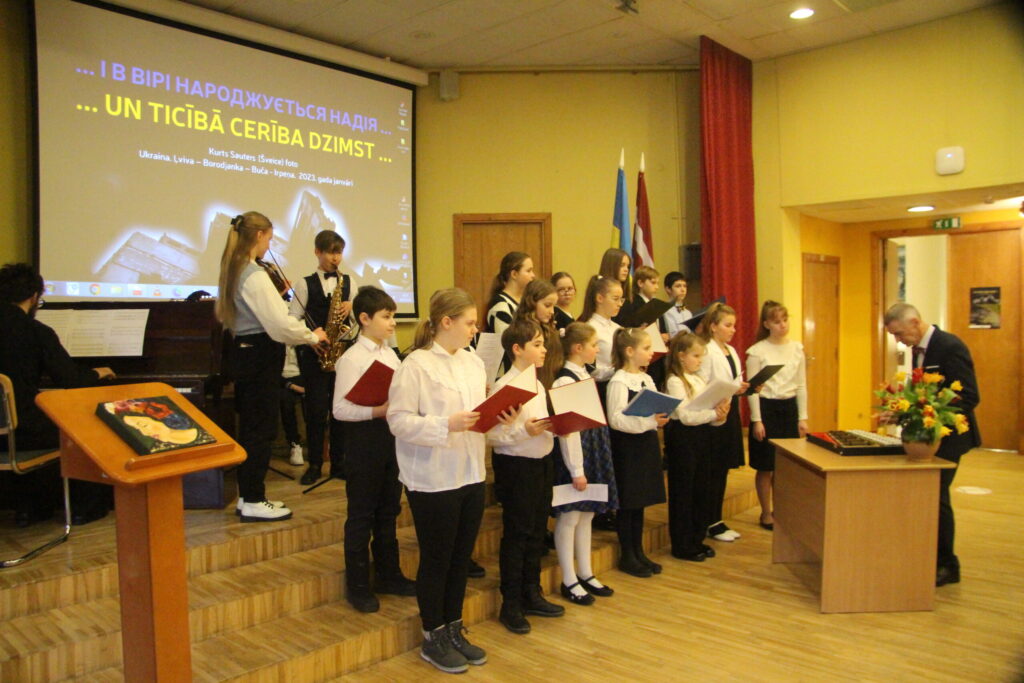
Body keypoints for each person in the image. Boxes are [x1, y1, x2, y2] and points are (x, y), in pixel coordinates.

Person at [386, 288, 488, 674]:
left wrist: (499, 415)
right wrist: (445, 424)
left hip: (470, 470)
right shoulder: (416, 365)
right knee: (437, 558)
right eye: (469, 323)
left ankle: (454, 628)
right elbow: (398, 421)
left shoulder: (473, 362)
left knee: (461, 557)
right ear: (446, 322)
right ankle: (433, 635)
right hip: (433, 476)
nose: (475, 330)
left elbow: (478, 413)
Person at [216, 212, 326, 522]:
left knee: (253, 427)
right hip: (260, 356)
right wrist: (312, 336)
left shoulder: (236, 268)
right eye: (269, 238)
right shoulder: (253, 273)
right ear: (259, 235)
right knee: (260, 430)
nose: (269, 245)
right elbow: (279, 324)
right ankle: (253, 499)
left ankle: (248, 496)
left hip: (248, 354)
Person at [0, 263, 116, 526]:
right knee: (89, 424)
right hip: (20, 433)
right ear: (33, 297)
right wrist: (97, 372)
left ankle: (30, 507)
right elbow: (70, 380)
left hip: (5, 431)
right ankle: (84, 509)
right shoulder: (35, 331)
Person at [332, 286, 416, 613]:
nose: (393, 322)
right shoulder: (352, 359)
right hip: (363, 442)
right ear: (365, 319)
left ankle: (388, 575)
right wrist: (377, 410)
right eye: (387, 316)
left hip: (390, 440)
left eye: (393, 316)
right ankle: (357, 585)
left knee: (388, 510)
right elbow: (340, 409)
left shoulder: (390, 355)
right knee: (361, 514)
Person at [884, 302, 980, 587]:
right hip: (927, 437)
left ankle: (948, 565)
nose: (899, 340)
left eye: (900, 334)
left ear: (915, 322)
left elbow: (969, 396)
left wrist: (929, 414)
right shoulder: (918, 350)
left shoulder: (949, 346)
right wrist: (903, 411)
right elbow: (924, 394)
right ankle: (929, 557)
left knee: (937, 497)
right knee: (927, 497)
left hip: (948, 436)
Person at [486, 318, 565, 634]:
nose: (544, 349)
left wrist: (558, 427)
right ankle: (511, 604)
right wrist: (523, 431)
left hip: (541, 463)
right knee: (517, 534)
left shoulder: (538, 384)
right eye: (537, 344)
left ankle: (532, 593)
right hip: (516, 468)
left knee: (536, 532)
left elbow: (539, 426)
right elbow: (492, 436)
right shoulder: (503, 387)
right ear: (517, 349)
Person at [551, 322, 618, 604]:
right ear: (578, 348)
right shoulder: (564, 381)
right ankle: (569, 578)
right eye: (594, 345)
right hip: (575, 457)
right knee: (570, 517)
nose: (598, 349)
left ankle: (586, 573)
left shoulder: (583, 374)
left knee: (587, 514)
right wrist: (576, 470)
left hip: (593, 450)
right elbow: (569, 431)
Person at [605, 327, 669, 577]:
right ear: (630, 351)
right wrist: (649, 421)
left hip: (645, 444)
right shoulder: (618, 381)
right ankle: (627, 555)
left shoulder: (646, 378)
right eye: (646, 348)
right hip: (627, 448)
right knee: (628, 502)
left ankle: (639, 552)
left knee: (640, 501)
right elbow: (616, 419)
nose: (651, 352)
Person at [290, 229, 351, 485]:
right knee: (315, 413)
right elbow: (292, 319)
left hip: (341, 356)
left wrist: (352, 306)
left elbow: (357, 321)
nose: (335, 258)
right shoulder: (304, 283)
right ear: (317, 252)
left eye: (339, 253)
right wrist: (310, 338)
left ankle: (339, 464)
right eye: (330, 253)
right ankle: (314, 465)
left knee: (339, 412)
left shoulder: (348, 282)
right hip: (314, 354)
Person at [663, 331, 729, 561]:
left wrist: (720, 415)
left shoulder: (699, 379)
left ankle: (696, 538)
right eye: (696, 356)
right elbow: (685, 416)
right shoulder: (674, 381)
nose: (700, 361)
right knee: (684, 491)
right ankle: (682, 544)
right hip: (683, 439)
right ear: (681, 356)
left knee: (701, 488)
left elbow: (707, 414)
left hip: (702, 437)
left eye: (702, 356)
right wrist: (712, 414)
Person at [746, 300, 808, 531]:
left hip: (788, 409)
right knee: (765, 466)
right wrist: (757, 420)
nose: (783, 325)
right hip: (766, 409)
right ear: (766, 324)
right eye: (776, 321)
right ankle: (766, 512)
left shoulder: (797, 349)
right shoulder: (757, 352)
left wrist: (802, 417)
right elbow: (753, 389)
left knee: (784, 467)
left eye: (785, 319)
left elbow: (801, 385)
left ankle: (782, 510)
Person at [696, 302, 750, 542]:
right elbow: (702, 383)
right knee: (712, 469)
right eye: (728, 325)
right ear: (713, 326)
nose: (733, 330)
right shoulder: (706, 350)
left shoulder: (731, 350)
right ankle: (708, 519)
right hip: (712, 413)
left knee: (723, 468)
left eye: (734, 326)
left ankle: (716, 518)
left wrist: (741, 387)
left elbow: (734, 379)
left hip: (729, 410)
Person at [513, 279, 563, 389]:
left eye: (554, 306)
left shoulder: (548, 328)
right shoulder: (521, 332)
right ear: (532, 303)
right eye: (547, 305)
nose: (552, 312)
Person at [577, 275, 624, 383]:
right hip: (603, 385)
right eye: (615, 299)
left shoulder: (617, 327)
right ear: (600, 298)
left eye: (621, 299)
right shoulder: (590, 328)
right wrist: (618, 369)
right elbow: (591, 371)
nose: (620, 304)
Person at [280, 345, 305, 466]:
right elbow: (271, 371)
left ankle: (317, 445)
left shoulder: (302, 342)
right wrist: (292, 386)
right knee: (286, 403)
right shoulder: (275, 342)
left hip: (302, 377)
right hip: (283, 380)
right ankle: (294, 444)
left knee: (314, 402)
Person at [598, 248, 632, 321]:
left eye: (628, 266)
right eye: (622, 265)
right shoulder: (598, 289)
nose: (626, 270)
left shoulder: (626, 294)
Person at [661, 272, 693, 337]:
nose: (683, 290)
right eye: (678, 286)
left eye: (685, 286)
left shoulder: (688, 313)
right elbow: (672, 335)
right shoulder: (665, 311)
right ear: (668, 289)